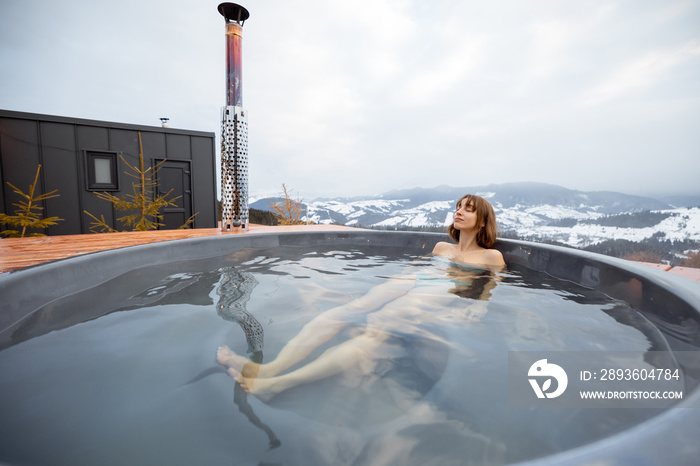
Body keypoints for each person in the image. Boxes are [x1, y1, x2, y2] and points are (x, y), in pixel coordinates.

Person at [217, 194, 505, 401]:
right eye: (458, 207)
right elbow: (417, 269)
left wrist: (481, 305)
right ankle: (269, 369)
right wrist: (392, 283)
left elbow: (493, 282)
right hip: (417, 282)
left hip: (439, 291)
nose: (459, 211)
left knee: (378, 327)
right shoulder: (442, 247)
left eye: (468, 209)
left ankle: (279, 383)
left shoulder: (491, 255)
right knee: (342, 312)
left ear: (482, 221)